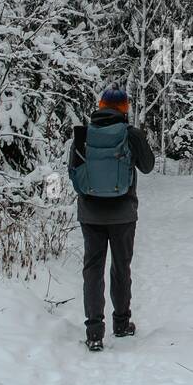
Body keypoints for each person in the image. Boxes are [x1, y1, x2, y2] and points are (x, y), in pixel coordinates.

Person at [68, 84, 155, 351]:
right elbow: (148, 166)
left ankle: (94, 332)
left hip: (91, 214)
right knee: (121, 267)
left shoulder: (83, 135)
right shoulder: (131, 134)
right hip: (123, 214)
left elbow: (74, 173)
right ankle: (121, 323)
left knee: (92, 269)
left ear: (101, 106)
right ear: (125, 108)